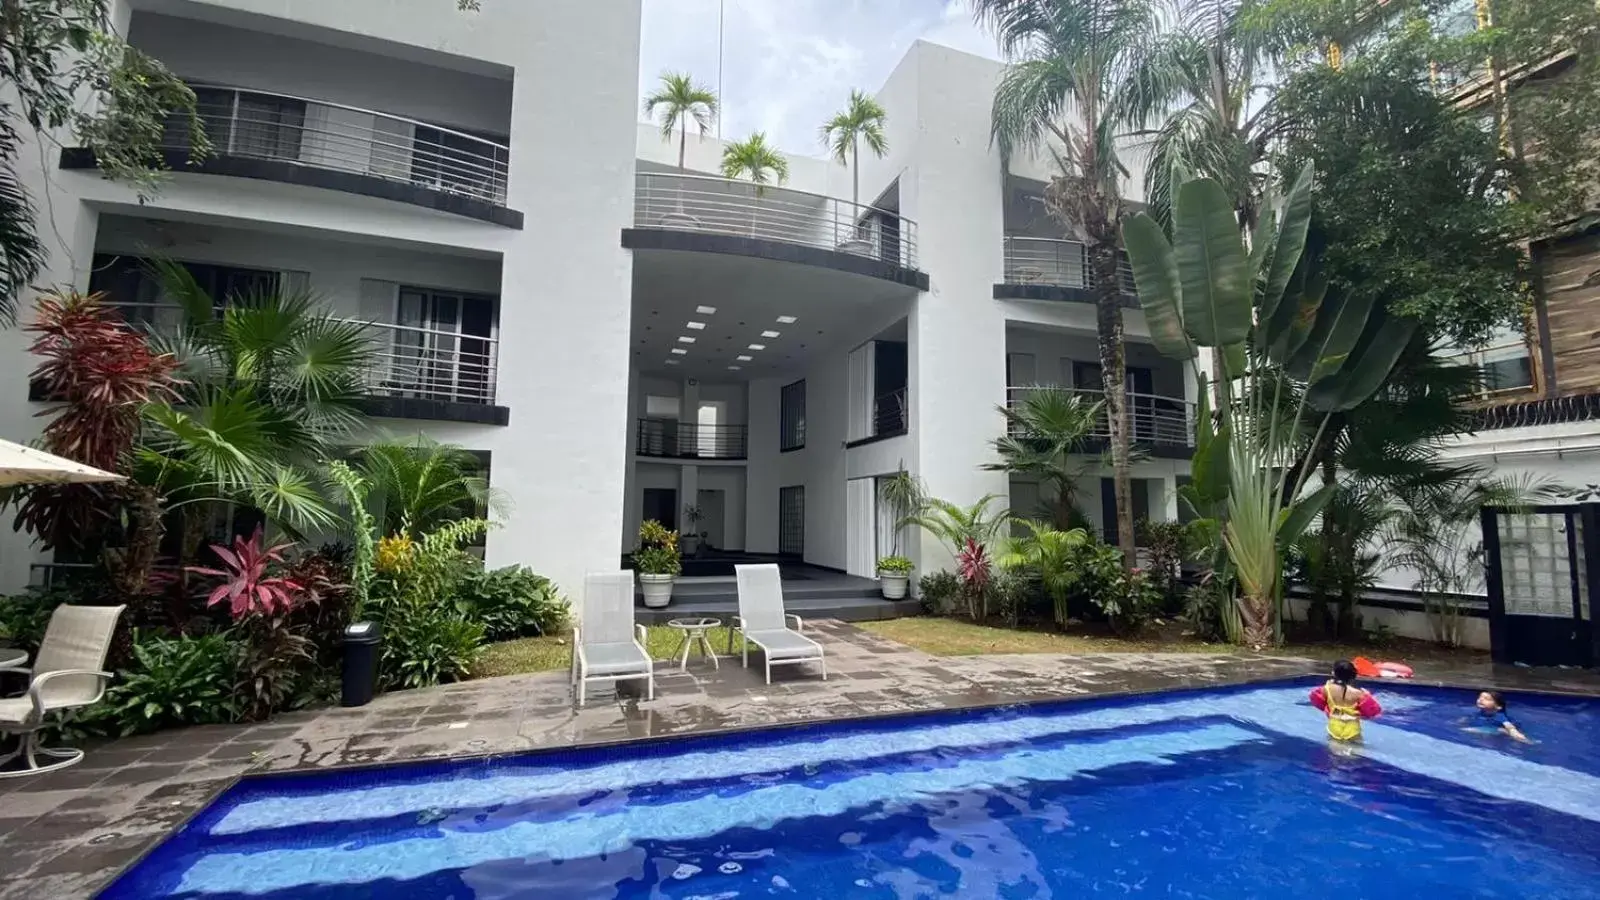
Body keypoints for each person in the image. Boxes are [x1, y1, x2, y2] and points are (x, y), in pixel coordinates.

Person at [1310, 660, 1383, 742]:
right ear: (1353, 675)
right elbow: (1373, 711)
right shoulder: (1359, 694)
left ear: (1334, 673)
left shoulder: (1326, 689)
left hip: (1334, 726)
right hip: (1352, 729)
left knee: (1333, 750)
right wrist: (1367, 695)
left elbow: (1316, 700)